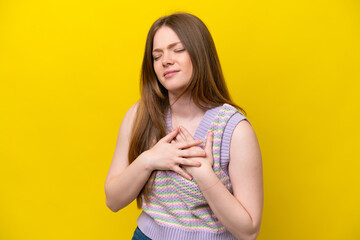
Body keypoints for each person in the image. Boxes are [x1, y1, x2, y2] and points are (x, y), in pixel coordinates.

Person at [104, 12, 263, 240]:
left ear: (200, 54)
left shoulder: (234, 129)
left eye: (177, 50)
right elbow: (113, 200)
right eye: (156, 56)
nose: (166, 60)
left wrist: (204, 175)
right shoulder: (139, 116)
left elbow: (249, 231)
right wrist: (149, 159)